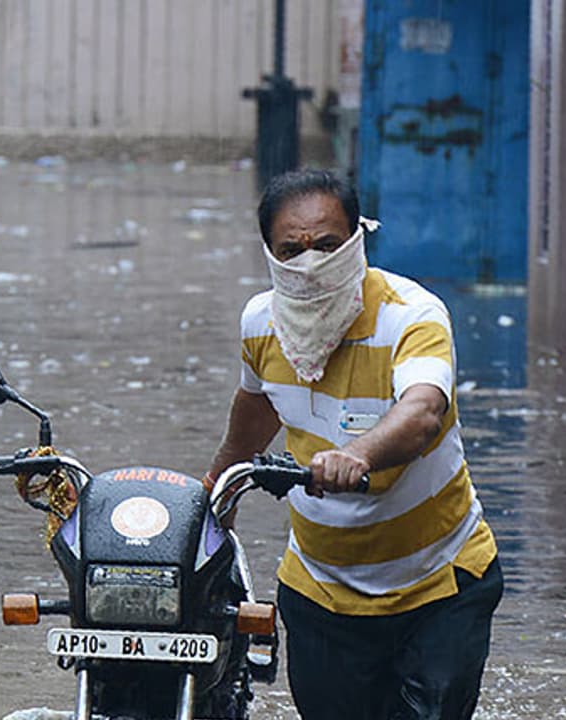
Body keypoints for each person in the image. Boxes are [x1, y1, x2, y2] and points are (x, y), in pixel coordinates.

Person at [203, 168, 503, 720]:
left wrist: (357, 454)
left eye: (326, 245)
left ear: (358, 239)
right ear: (269, 254)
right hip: (321, 590)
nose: (310, 262)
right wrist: (213, 494)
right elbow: (257, 406)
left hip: (438, 585)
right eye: (291, 250)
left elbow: (423, 412)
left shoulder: (412, 315)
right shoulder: (258, 323)